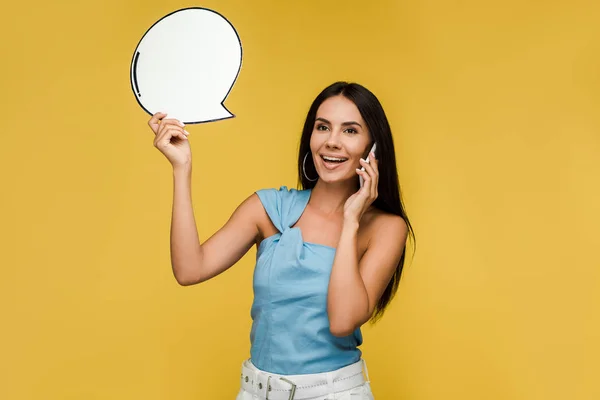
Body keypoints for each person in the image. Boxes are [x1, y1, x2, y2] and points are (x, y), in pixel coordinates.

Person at [147, 82, 415, 399]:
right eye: (323, 127)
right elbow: (189, 270)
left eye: (350, 131)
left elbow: (342, 321)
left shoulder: (384, 228)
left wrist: (350, 220)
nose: (332, 142)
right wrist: (182, 168)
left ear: (374, 148)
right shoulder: (268, 208)